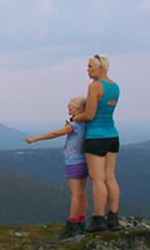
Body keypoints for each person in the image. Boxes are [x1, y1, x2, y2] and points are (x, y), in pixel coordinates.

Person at [24, 96, 89, 239]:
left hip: (73, 162)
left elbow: (55, 134)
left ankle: (72, 224)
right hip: (85, 162)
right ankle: (81, 222)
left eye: (70, 107)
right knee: (82, 193)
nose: (68, 109)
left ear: (78, 109)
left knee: (75, 195)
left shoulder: (75, 125)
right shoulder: (86, 123)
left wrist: (35, 139)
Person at [73, 53, 120, 232]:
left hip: (96, 137)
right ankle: (113, 217)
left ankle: (99, 218)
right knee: (110, 177)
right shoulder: (115, 86)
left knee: (97, 179)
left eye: (90, 66)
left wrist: (76, 117)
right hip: (112, 135)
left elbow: (90, 114)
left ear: (100, 68)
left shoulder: (95, 86)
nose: (88, 69)